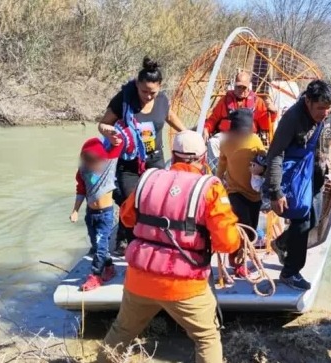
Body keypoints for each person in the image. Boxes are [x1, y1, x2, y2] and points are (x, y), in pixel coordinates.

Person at [99, 131, 240, 363]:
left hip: (140, 279)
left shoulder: (148, 179)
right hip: (184, 286)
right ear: (203, 158)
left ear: (173, 156)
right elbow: (227, 243)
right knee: (206, 338)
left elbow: (126, 218)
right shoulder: (210, 188)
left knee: (122, 331)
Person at [266, 80, 331, 290]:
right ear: (308, 101)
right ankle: (290, 272)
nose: (325, 113)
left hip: (318, 178)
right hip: (295, 180)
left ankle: (282, 243)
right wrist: (276, 191)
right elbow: (275, 154)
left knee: (314, 221)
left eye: (328, 107)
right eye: (320, 108)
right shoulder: (292, 117)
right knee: (301, 223)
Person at [97, 57, 186, 253]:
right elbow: (103, 124)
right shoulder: (124, 99)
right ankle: (133, 246)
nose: (147, 96)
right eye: (143, 91)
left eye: (152, 93)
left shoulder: (162, 100)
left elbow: (170, 117)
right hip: (129, 163)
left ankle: (153, 242)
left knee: (156, 203)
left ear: (160, 88)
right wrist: (109, 133)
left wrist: (187, 134)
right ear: (137, 84)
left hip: (155, 161)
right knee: (131, 202)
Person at [216, 109, 266, 278]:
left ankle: (241, 256)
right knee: (241, 228)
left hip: (254, 194)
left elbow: (265, 159)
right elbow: (222, 164)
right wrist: (216, 182)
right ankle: (239, 263)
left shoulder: (255, 140)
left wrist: (263, 168)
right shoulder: (226, 142)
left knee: (251, 230)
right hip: (234, 191)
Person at [69, 137, 122, 291]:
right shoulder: (83, 171)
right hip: (90, 214)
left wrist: (110, 131)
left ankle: (95, 276)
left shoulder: (108, 165)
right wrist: (75, 211)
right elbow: (81, 190)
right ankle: (109, 267)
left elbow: (118, 145)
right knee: (97, 245)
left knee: (100, 245)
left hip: (105, 214)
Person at [202, 70, 278, 144]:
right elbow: (213, 119)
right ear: (234, 86)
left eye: (244, 87)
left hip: (248, 137)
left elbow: (266, 125)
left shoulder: (258, 102)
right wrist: (207, 128)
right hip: (226, 136)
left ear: (248, 87)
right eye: (239, 87)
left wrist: (273, 112)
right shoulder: (224, 100)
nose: (241, 90)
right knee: (213, 142)